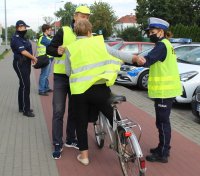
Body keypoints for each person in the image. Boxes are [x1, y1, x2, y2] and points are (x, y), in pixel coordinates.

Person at [46, 5, 139, 160]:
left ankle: (72, 141)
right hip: (66, 79)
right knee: (58, 110)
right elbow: (50, 49)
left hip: (78, 82)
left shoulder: (91, 39)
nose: (85, 18)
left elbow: (104, 54)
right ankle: (58, 144)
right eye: (83, 16)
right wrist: (57, 51)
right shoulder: (64, 30)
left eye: (88, 17)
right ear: (75, 16)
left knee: (76, 114)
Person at [137, 17, 182, 163]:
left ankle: (163, 153)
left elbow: (148, 60)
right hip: (165, 91)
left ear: (161, 32)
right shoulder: (165, 44)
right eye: (149, 31)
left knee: (162, 122)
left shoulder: (162, 45)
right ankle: (162, 146)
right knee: (161, 122)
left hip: (164, 91)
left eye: (152, 31)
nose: (150, 34)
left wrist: (132, 59)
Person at [10, 20, 37, 117]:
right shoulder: (15, 38)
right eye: (23, 27)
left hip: (26, 63)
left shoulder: (25, 38)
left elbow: (29, 49)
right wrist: (33, 58)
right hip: (20, 63)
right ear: (18, 28)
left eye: (25, 27)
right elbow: (23, 52)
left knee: (22, 84)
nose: (25, 29)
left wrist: (32, 57)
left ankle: (22, 106)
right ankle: (26, 110)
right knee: (26, 85)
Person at [37, 24, 53, 96]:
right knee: (44, 74)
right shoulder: (43, 38)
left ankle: (46, 88)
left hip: (48, 58)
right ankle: (41, 90)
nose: (51, 31)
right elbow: (52, 44)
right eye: (50, 30)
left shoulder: (47, 37)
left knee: (46, 74)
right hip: (44, 59)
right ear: (46, 30)